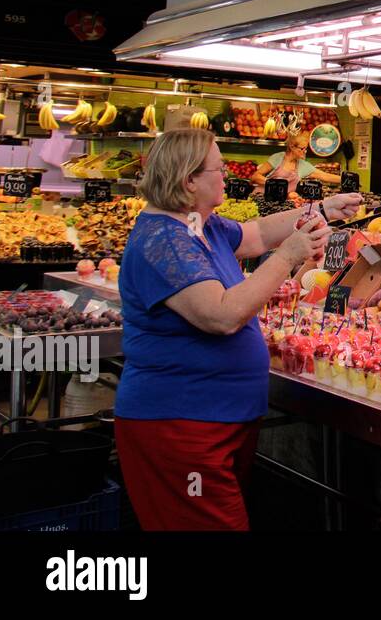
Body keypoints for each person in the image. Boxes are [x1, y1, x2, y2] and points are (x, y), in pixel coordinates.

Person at [114, 128, 362, 530]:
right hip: (180, 427)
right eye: (219, 167)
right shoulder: (166, 240)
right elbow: (223, 315)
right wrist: (287, 258)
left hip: (214, 423)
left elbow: (258, 233)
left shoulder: (198, 225)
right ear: (188, 179)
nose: (228, 174)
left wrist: (323, 209)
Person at [250, 130, 341, 193]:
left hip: (279, 204)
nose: (304, 152)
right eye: (302, 149)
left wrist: (345, 180)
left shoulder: (303, 165)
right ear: (292, 147)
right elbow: (255, 176)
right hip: (261, 198)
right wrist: (275, 185)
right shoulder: (278, 158)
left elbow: (324, 176)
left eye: (306, 149)